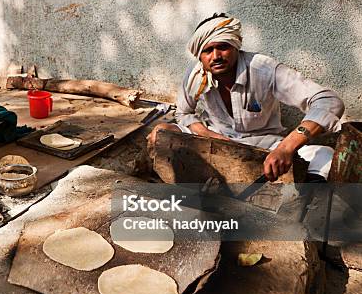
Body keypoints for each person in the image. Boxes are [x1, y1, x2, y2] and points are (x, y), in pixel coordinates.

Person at [147, 13, 344, 182]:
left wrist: (286, 148)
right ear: (200, 55)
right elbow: (183, 113)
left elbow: (328, 101)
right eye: (208, 50)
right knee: (162, 131)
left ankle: (307, 200)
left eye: (223, 47)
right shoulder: (195, 75)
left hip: (264, 145)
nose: (216, 56)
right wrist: (212, 136)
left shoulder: (263, 68)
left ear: (235, 47)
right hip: (215, 140)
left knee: (325, 156)